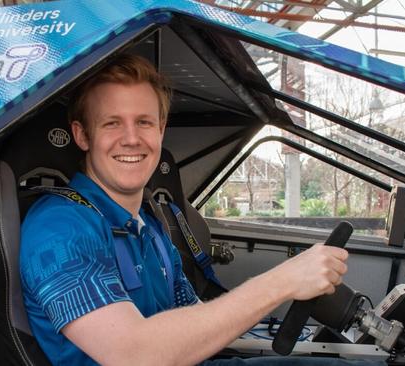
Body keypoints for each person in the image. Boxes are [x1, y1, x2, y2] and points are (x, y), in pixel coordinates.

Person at [20, 54, 385, 366]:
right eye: (112, 123)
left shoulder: (150, 224)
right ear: (82, 135)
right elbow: (131, 354)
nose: (131, 138)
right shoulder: (60, 227)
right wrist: (282, 281)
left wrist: (285, 293)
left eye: (144, 122)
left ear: (160, 130)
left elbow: (196, 316)